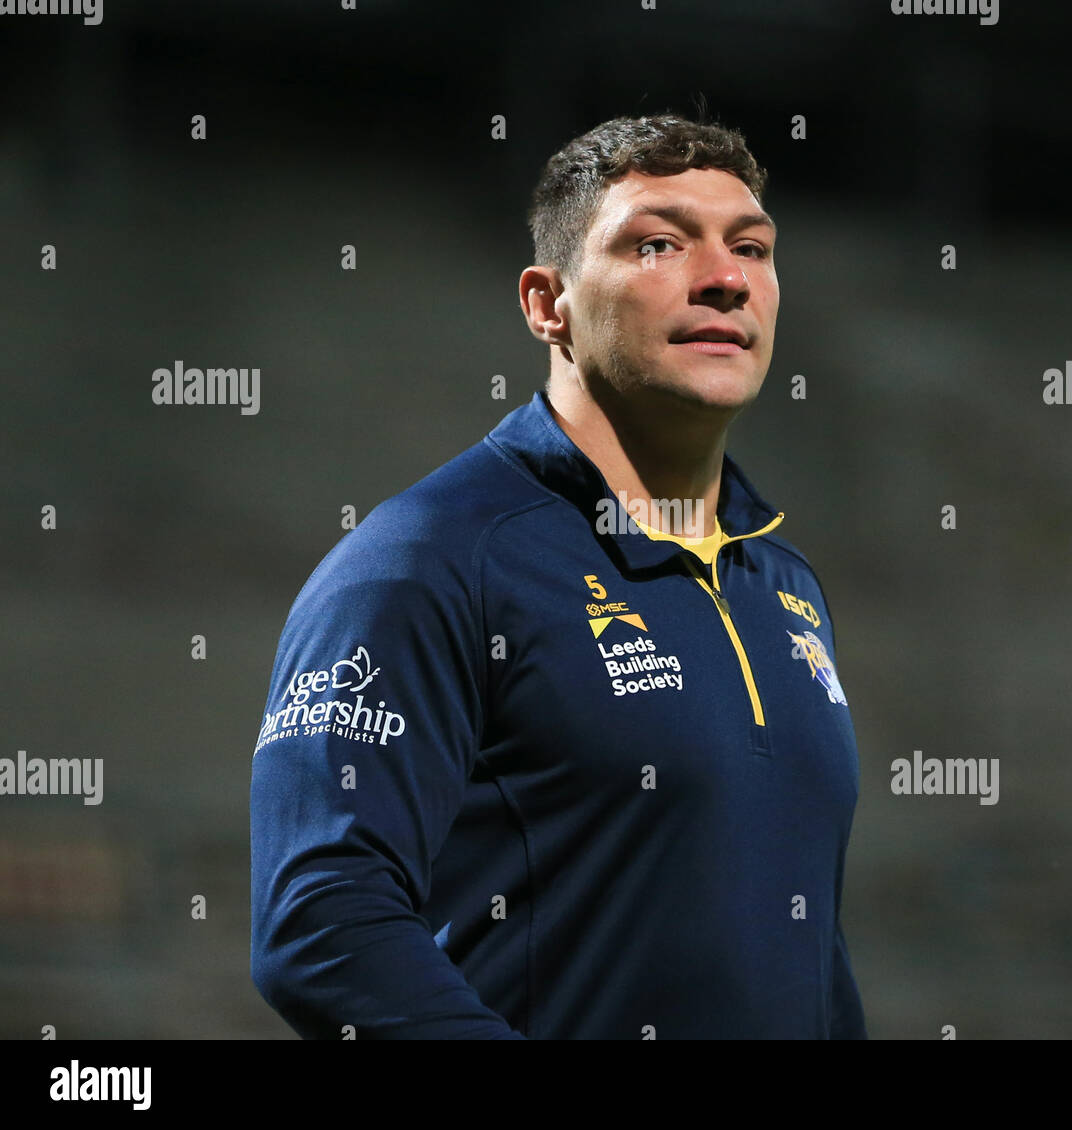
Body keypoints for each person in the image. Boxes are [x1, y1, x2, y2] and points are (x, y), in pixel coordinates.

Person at [249, 113, 869, 1039]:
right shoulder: (424, 560)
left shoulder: (782, 578)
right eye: (658, 243)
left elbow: (808, 948)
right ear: (549, 304)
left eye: (751, 247)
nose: (726, 278)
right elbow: (323, 923)